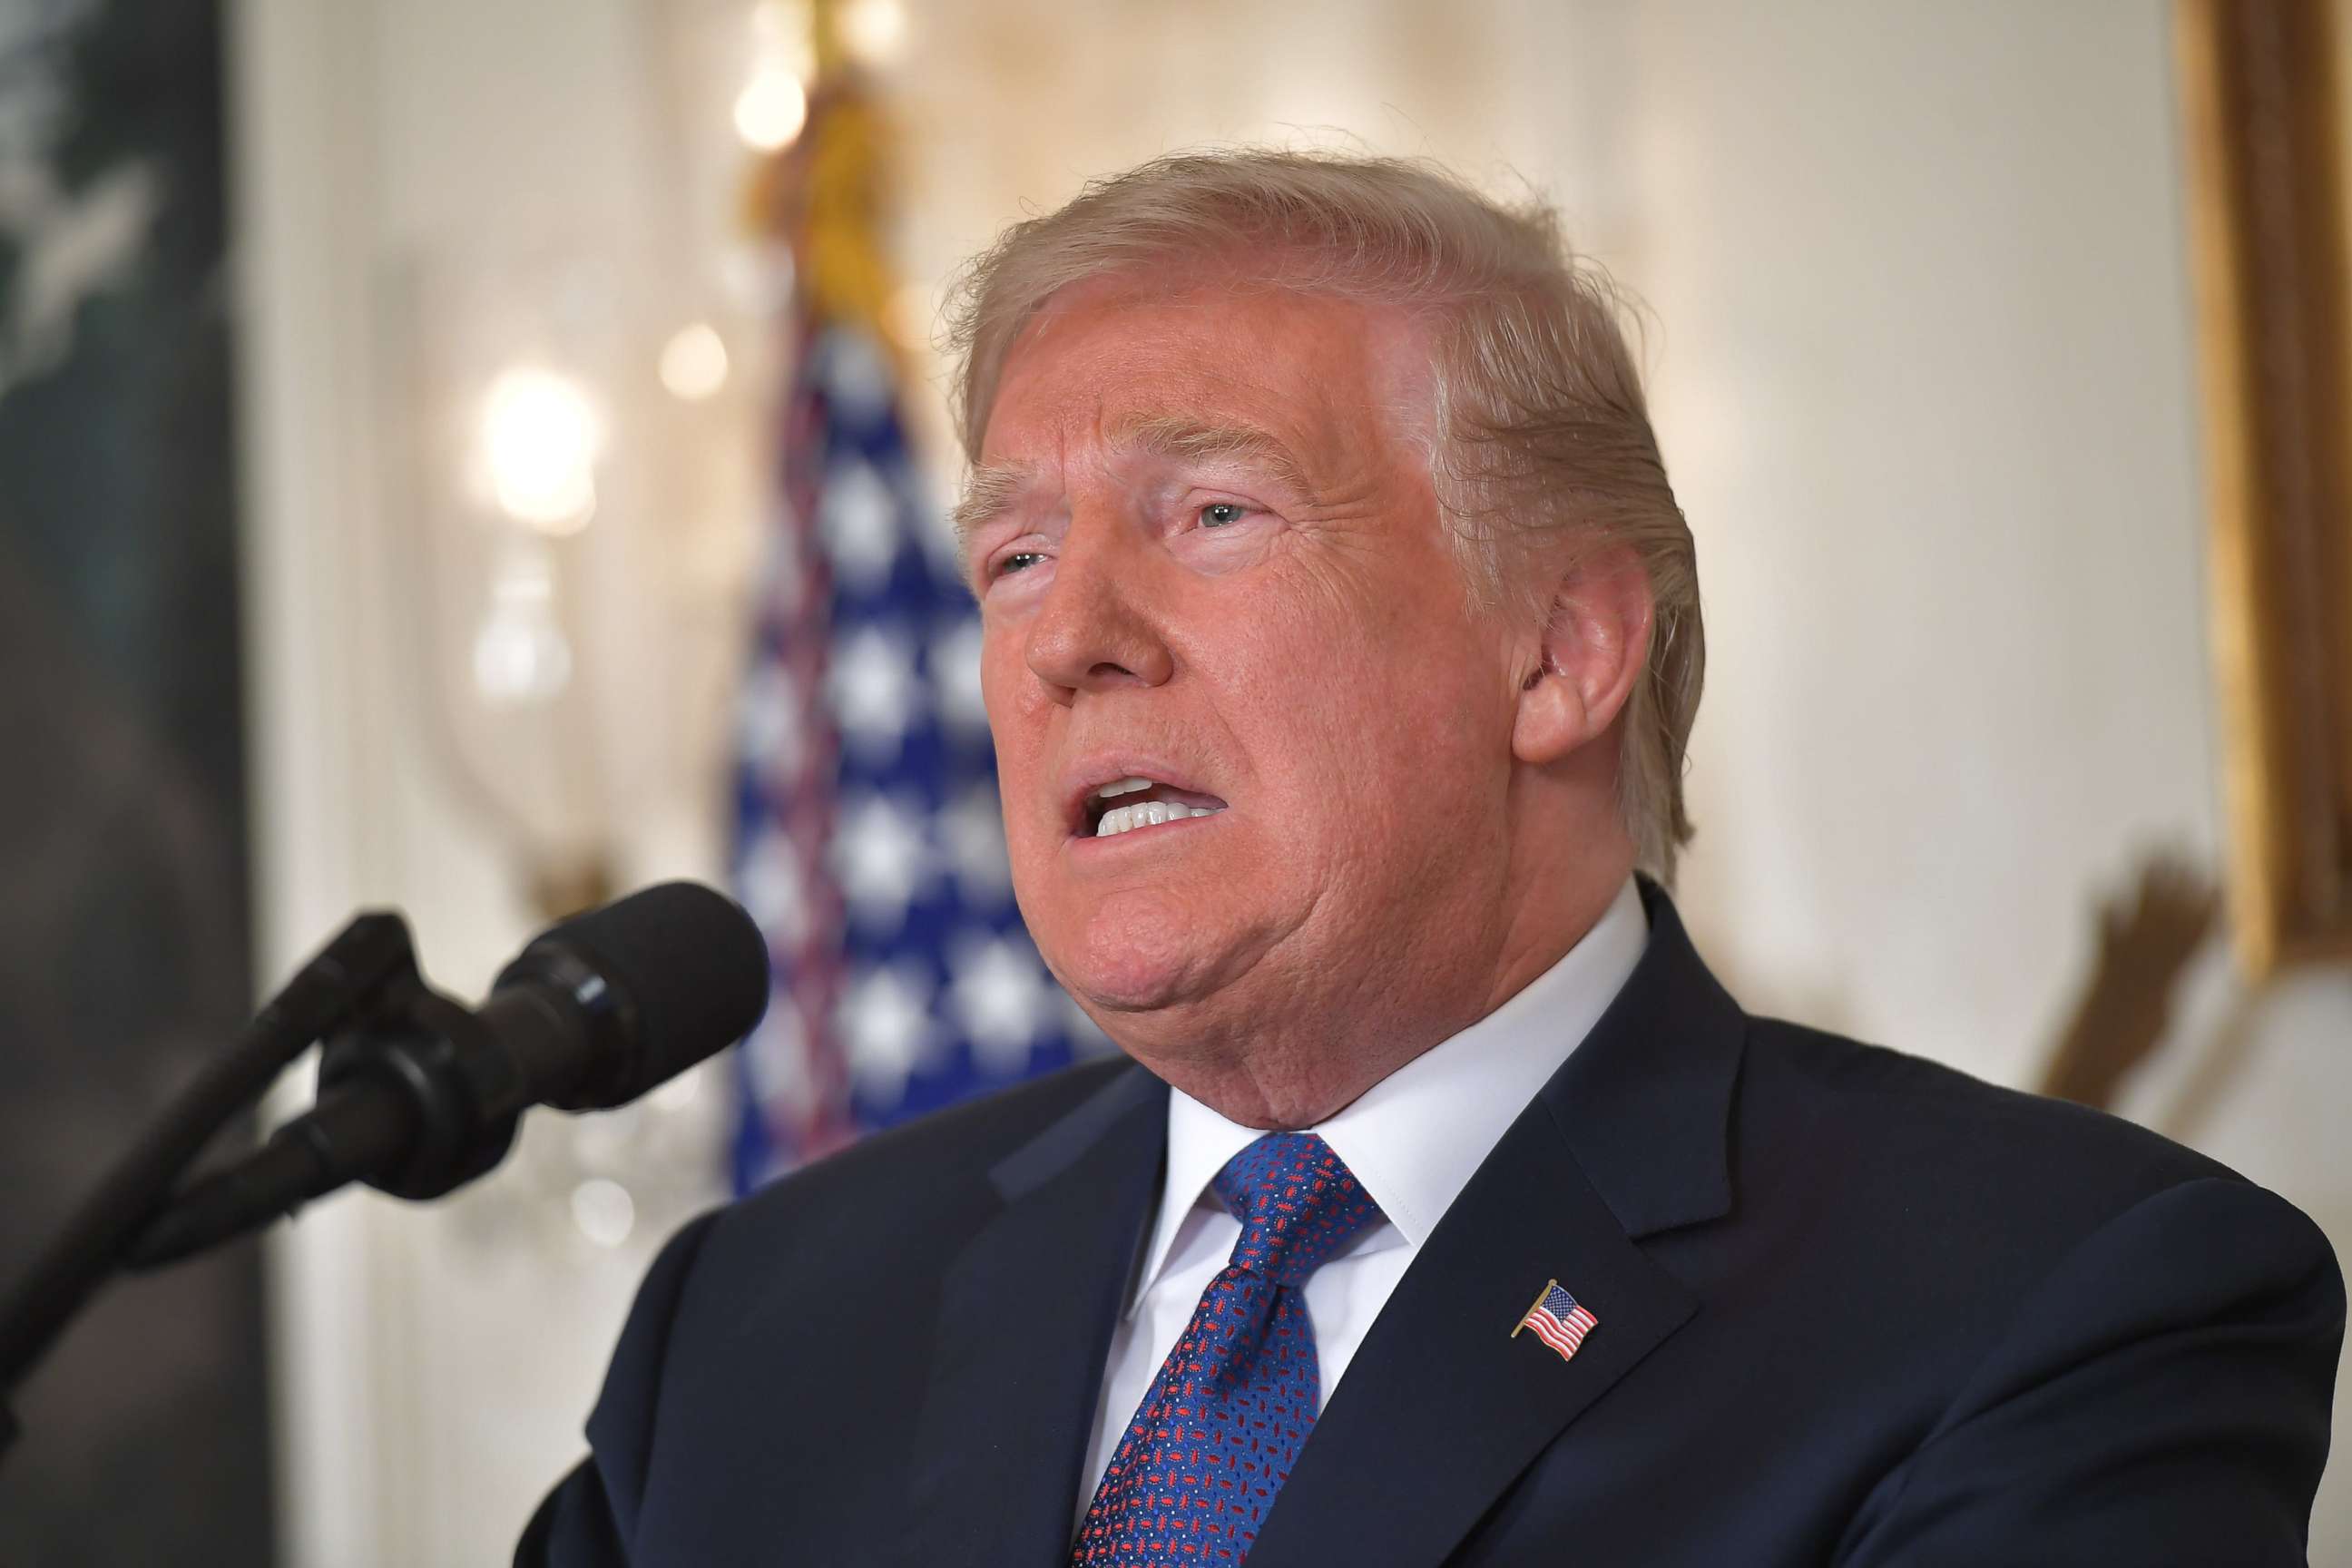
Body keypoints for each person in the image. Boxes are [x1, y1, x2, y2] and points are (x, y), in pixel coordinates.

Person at [518, 151, 2342, 1567]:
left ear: (1557, 652)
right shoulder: (762, 1323)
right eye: (1013, 558)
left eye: (1211, 515)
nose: (1066, 639)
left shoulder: (2053, 1309)